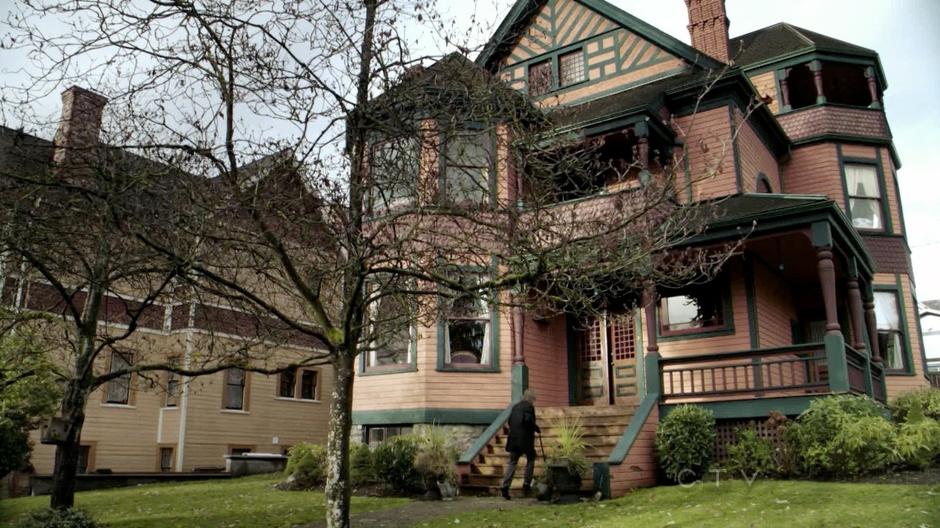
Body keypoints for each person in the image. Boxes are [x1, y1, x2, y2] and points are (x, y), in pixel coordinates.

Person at [500, 389, 540, 500]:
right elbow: (527, 420)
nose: (533, 402)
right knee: (531, 458)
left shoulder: (515, 407)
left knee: (512, 463)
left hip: (513, 439)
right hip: (525, 440)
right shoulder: (529, 407)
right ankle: (526, 484)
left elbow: (509, 422)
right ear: (531, 399)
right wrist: (535, 427)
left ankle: (505, 486)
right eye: (533, 399)